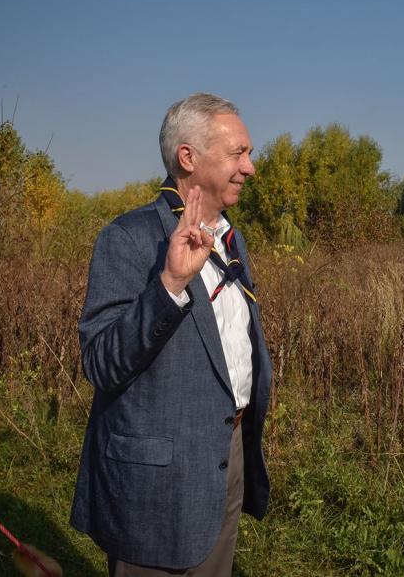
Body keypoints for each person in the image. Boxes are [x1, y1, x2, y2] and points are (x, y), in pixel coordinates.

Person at [70, 93, 272, 576]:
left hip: (228, 455)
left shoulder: (231, 239)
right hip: (155, 482)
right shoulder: (128, 238)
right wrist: (170, 284)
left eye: (249, 153)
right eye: (238, 153)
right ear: (188, 156)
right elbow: (101, 363)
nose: (250, 167)